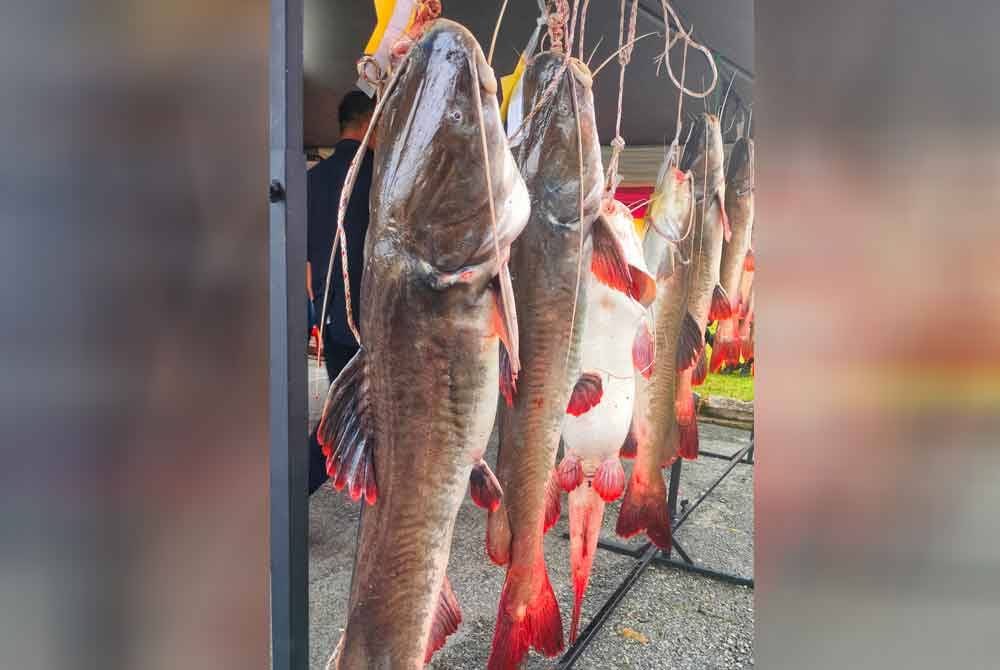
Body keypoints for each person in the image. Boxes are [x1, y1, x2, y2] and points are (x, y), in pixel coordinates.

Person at [306, 90, 376, 495]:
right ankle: (294, 484)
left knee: (346, 407)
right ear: (368, 123)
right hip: (372, 319)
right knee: (359, 414)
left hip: (330, 317)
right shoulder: (379, 172)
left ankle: (357, 476)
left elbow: (306, 262)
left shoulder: (314, 179)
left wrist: (317, 311)